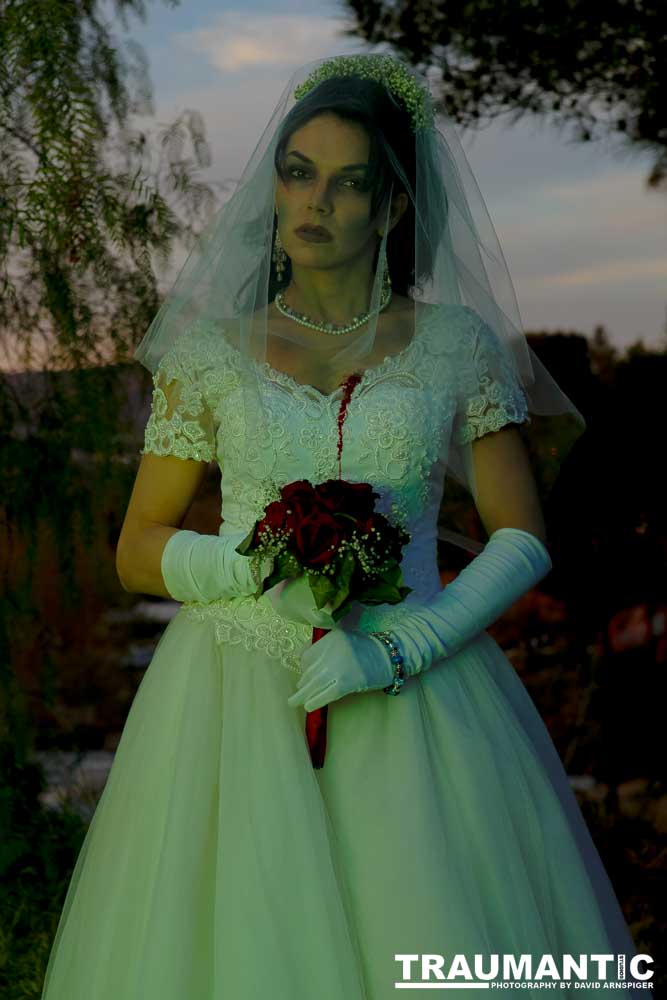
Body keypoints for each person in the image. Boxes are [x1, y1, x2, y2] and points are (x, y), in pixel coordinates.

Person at [40, 55, 646, 999]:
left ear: (393, 209)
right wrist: (255, 566)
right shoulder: (210, 355)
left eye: (348, 181)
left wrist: (398, 652)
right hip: (231, 699)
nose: (313, 200)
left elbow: (521, 536)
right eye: (297, 171)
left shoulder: (454, 347)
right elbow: (137, 548)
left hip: (418, 695)